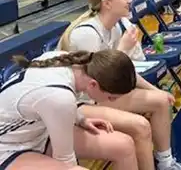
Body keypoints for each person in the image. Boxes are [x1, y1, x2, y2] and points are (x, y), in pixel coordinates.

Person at [57, 0, 181, 170]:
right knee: (140, 126)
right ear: (107, 3)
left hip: (103, 95)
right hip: (81, 102)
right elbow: (99, 80)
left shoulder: (120, 26)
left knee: (161, 100)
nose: (130, 0)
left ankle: (166, 162)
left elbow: (126, 73)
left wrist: (155, 90)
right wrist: (122, 49)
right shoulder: (86, 34)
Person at [0, 49, 139, 170]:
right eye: (111, 97)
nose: (111, 102)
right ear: (93, 84)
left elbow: (46, 104)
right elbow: (65, 160)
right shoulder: (59, 96)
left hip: (38, 133)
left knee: (124, 146)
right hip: (7, 147)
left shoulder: (69, 62)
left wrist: (80, 119)